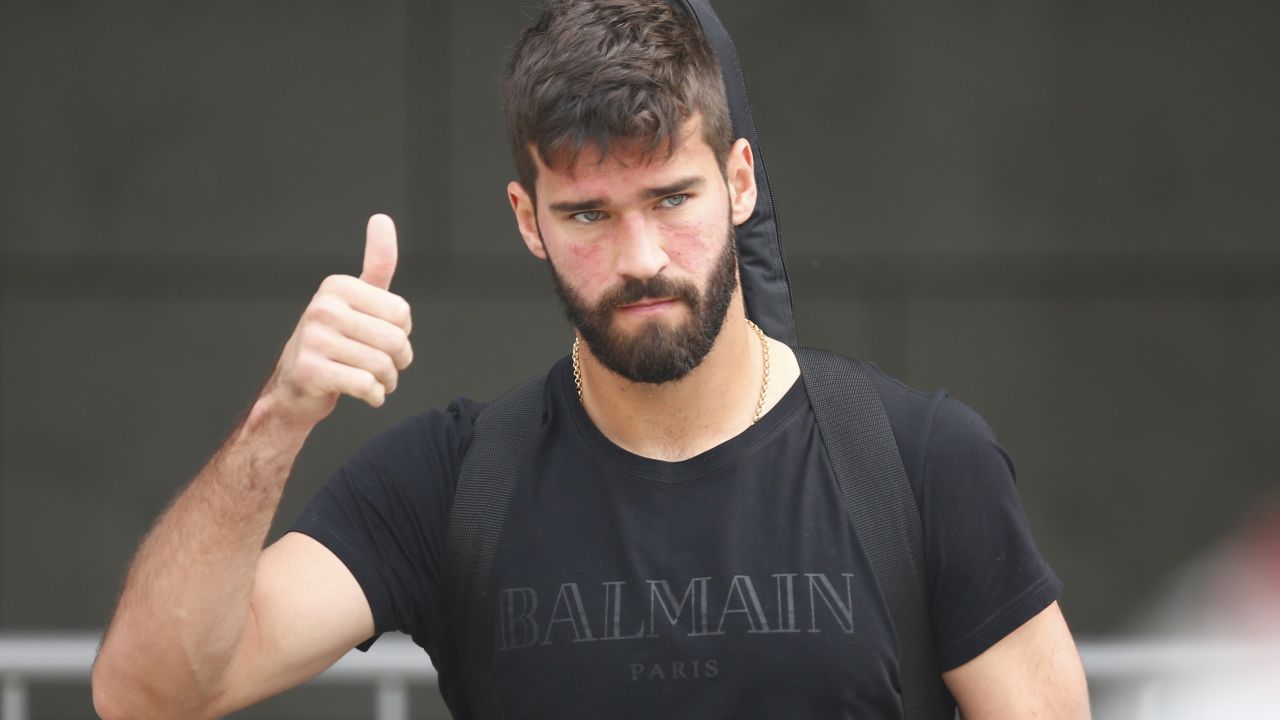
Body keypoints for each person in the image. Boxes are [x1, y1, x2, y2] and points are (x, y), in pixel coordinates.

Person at [91, 0, 1091, 718]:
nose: (641, 259)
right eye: (587, 215)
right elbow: (150, 693)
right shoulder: (452, 484)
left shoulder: (916, 465)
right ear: (527, 220)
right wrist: (280, 417)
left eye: (670, 198)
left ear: (738, 181)